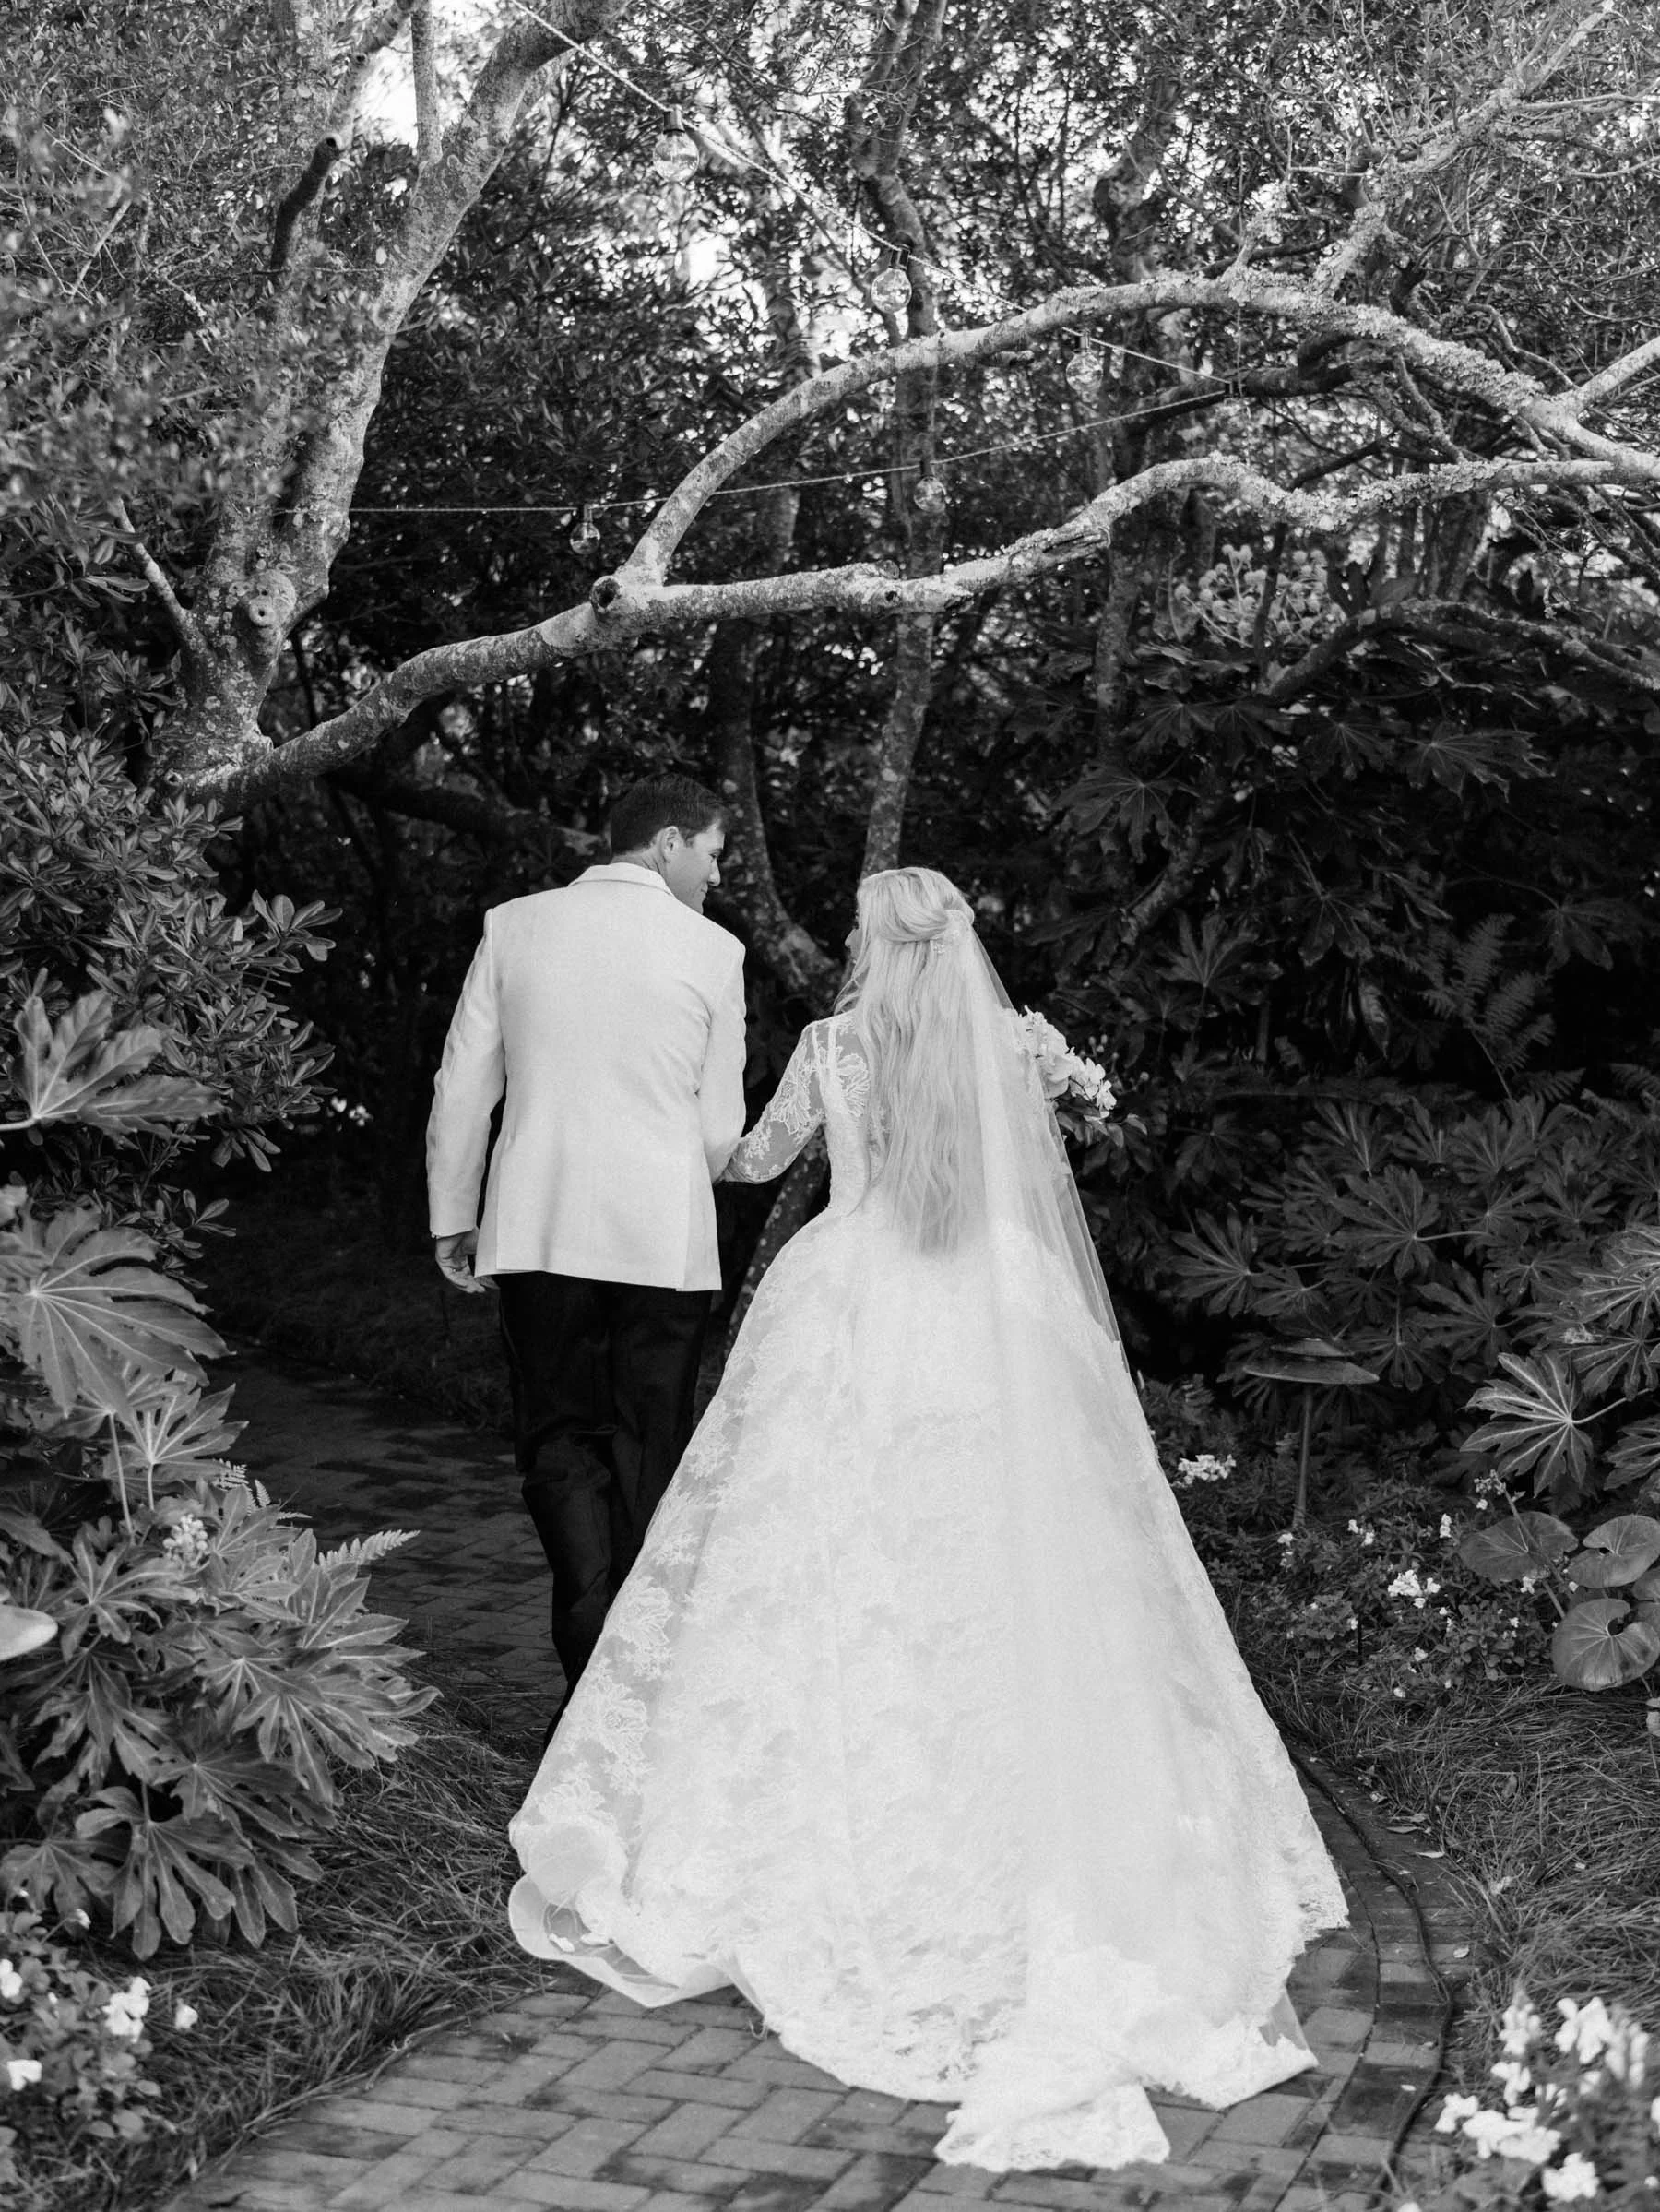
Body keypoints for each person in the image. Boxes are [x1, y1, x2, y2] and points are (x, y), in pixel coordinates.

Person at [506, 865, 1346, 2174]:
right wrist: (1077, 1085)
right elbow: (1078, 1117)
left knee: (844, 1566)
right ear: (960, 950)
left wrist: (656, 1099)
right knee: (1010, 1568)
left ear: (869, 952)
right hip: (990, 1320)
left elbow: (750, 1159)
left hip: (851, 1314)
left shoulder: (831, 1049)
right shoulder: (1011, 1043)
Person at [426, 775, 746, 1730]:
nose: (718, 871)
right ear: (664, 844)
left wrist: (456, 1215)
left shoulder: (514, 926)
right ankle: (630, 1701)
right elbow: (721, 1126)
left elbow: (461, 1089)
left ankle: (583, 1652)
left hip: (538, 1230)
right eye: (713, 851)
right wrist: (660, 1172)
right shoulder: (715, 951)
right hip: (662, 1241)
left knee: (558, 1442)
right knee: (645, 1453)